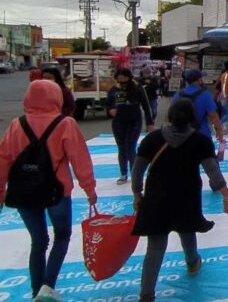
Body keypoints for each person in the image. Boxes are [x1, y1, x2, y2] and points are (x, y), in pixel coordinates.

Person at [0, 80, 98, 301]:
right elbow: (80, 160)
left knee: (39, 240)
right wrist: (89, 190)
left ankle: (36, 290)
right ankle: (47, 288)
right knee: (61, 236)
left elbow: (3, 160)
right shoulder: (65, 124)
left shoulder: (17, 125)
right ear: (57, 98)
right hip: (57, 191)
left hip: (23, 191)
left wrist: (1, 192)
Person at [132, 98, 228, 302]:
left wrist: (137, 193)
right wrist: (225, 194)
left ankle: (146, 294)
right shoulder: (200, 141)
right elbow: (213, 170)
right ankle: (192, 262)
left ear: (170, 115)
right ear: (192, 118)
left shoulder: (152, 139)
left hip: (156, 196)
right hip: (186, 196)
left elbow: (137, 170)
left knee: (155, 247)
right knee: (187, 229)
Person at [106, 68, 154, 185]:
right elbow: (107, 104)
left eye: (124, 77)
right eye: (119, 78)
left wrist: (149, 123)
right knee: (121, 149)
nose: (121, 80)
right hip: (118, 123)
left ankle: (135, 173)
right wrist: (110, 110)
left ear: (129, 77)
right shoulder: (113, 90)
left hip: (134, 122)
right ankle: (123, 174)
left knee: (130, 147)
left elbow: (146, 106)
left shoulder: (137, 89)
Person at [172, 69, 225, 141]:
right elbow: (213, 115)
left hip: (181, 135)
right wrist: (219, 130)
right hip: (201, 134)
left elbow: (172, 115)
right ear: (199, 80)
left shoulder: (178, 94)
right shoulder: (205, 95)